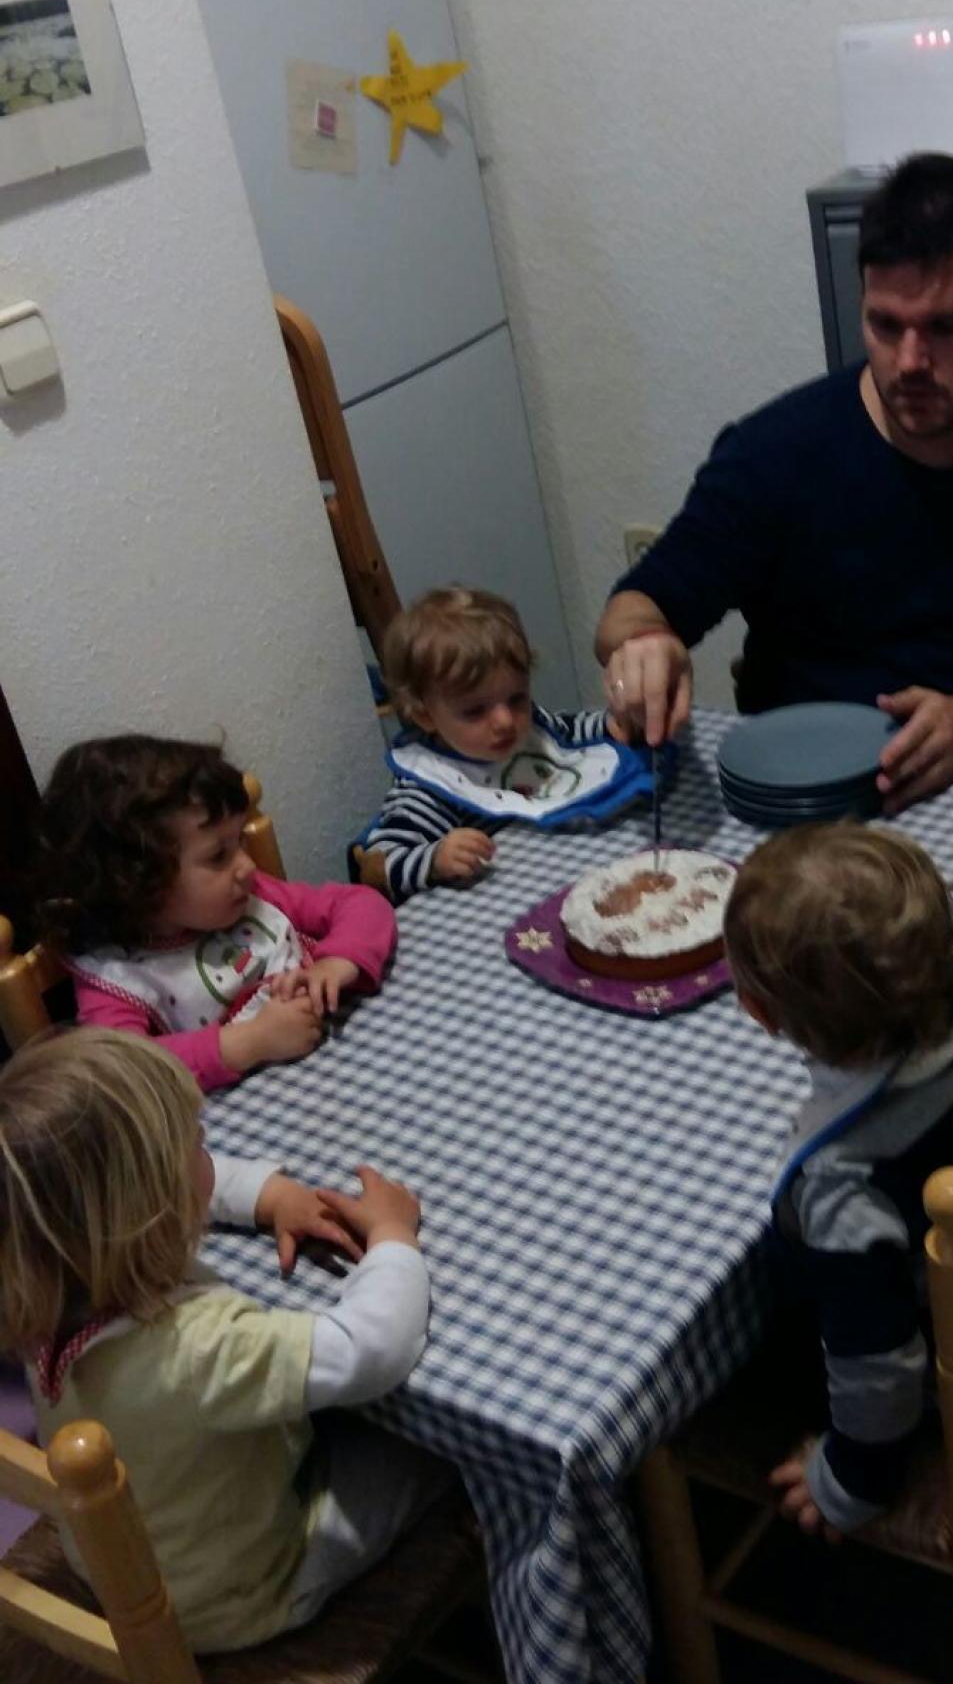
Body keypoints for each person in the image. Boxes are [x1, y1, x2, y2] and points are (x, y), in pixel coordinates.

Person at [597, 152, 953, 813]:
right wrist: (644, 646)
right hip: (808, 798)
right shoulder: (774, 450)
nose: (910, 362)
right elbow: (635, 607)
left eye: (945, 327)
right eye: (885, 324)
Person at [0, 1028, 454, 1652]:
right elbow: (372, 1349)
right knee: (440, 1456)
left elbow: (181, 1188)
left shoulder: (47, 1291)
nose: (209, 1156)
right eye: (198, 1144)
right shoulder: (199, 1350)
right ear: (151, 1208)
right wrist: (393, 1238)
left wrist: (271, 1196)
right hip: (245, 1596)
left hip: (125, 1566)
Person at [722, 822, 953, 1538]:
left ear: (759, 1013)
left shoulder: (844, 1190)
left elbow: (879, 1368)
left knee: (721, 1363)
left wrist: (853, 1481)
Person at [36, 734, 396, 1093]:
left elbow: (362, 903)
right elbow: (125, 1075)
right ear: (137, 882)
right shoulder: (117, 977)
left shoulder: (252, 897)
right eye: (218, 856)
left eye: (239, 841)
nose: (248, 866)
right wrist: (247, 1043)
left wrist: (336, 963)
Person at [362, 586, 651, 903]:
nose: (504, 720)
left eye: (516, 698)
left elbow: (564, 733)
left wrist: (612, 725)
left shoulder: (522, 729)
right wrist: (434, 860)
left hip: (561, 871)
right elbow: (379, 866)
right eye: (475, 710)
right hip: (494, 905)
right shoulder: (429, 786)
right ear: (425, 715)